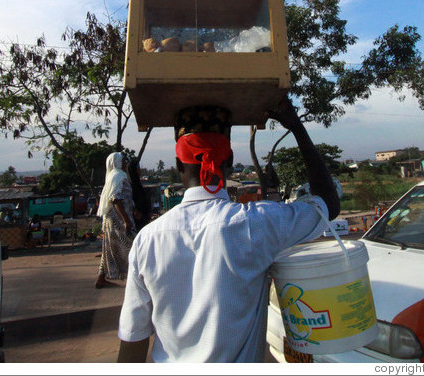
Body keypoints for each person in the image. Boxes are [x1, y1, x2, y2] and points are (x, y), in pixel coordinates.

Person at [117, 98, 341, 362]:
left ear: (178, 165)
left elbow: (133, 337)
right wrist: (296, 127)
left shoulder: (147, 239)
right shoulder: (257, 223)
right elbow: (327, 204)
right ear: (231, 161)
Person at [95, 151, 136, 289]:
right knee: (131, 246)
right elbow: (115, 199)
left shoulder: (112, 176)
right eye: (123, 161)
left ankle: (101, 277)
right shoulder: (119, 175)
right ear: (116, 162)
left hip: (113, 218)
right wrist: (126, 220)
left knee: (108, 248)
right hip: (118, 218)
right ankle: (135, 277)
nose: (125, 163)